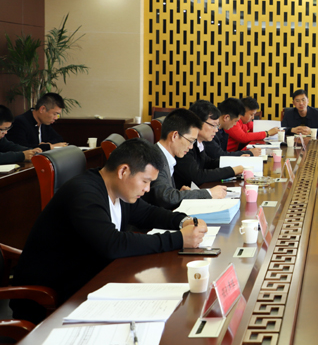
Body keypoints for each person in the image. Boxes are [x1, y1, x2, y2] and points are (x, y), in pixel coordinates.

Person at [11, 138, 207, 323]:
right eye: (145, 181)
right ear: (123, 171)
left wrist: (184, 221)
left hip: (92, 279)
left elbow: (148, 213)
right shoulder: (84, 193)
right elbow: (112, 244)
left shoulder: (117, 189)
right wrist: (179, 239)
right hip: (54, 295)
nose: (147, 189)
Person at [142, 108, 227, 209]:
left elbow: (165, 195)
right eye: (190, 141)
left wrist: (178, 193)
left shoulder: (163, 156)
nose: (191, 147)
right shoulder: (155, 159)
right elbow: (166, 197)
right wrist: (208, 193)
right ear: (174, 136)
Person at [173, 100, 246, 189]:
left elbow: (208, 163)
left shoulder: (199, 142)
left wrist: (235, 162)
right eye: (213, 125)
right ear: (197, 122)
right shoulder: (185, 144)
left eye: (217, 126)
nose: (216, 130)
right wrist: (232, 171)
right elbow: (197, 176)